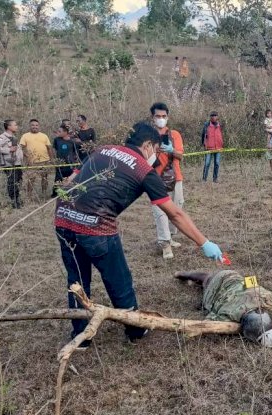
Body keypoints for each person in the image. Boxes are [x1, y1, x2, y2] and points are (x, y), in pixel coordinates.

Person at [55, 122, 224, 347]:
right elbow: (174, 213)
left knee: (76, 279)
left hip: (63, 218)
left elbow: (70, 180)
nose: (155, 154)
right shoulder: (144, 170)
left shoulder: (101, 150)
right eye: (155, 149)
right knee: (119, 280)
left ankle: (81, 336)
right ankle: (135, 329)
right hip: (96, 228)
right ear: (147, 145)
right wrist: (205, 242)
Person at [174, 270, 272, 344]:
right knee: (206, 281)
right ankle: (182, 274)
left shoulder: (271, 300)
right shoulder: (227, 314)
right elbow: (206, 322)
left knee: (207, 278)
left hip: (236, 277)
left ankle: (184, 274)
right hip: (217, 284)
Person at [150, 102, 186, 259]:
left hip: (175, 177)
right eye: (158, 116)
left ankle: (170, 237)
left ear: (168, 117)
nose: (161, 119)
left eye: (164, 116)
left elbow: (180, 156)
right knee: (160, 212)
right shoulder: (147, 136)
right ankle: (164, 244)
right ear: (153, 117)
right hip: (155, 179)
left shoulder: (174, 134)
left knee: (177, 207)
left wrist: (172, 149)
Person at [19, 119, 53, 200]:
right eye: (33, 125)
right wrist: (27, 156)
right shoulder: (25, 136)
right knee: (31, 179)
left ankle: (44, 194)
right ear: (30, 126)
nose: (35, 127)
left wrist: (51, 159)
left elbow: (49, 148)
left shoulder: (44, 136)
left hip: (45, 161)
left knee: (44, 178)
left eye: (36, 125)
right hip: (32, 162)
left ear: (39, 126)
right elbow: (20, 148)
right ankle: (29, 196)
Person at [0, 119, 23, 209]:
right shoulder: (2, 137)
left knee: (18, 182)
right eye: (15, 125)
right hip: (8, 164)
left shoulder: (13, 137)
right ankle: (13, 201)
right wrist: (9, 150)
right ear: (9, 126)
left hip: (17, 163)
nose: (16, 126)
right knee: (12, 182)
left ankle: (17, 200)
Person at [51, 125, 79, 196]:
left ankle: (69, 193)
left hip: (69, 164)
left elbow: (75, 152)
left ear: (65, 132)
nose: (58, 132)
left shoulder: (72, 141)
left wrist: (74, 161)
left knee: (69, 179)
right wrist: (54, 159)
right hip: (59, 163)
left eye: (60, 131)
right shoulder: (57, 140)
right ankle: (55, 194)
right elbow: (54, 150)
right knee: (58, 178)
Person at [201, 111, 223, 183]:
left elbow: (221, 135)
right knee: (207, 163)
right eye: (212, 116)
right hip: (209, 148)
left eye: (215, 116)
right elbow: (203, 135)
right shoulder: (206, 125)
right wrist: (203, 144)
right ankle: (204, 179)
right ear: (210, 117)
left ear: (217, 117)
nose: (213, 117)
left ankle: (215, 179)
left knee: (217, 163)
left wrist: (222, 143)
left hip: (218, 147)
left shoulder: (220, 125)